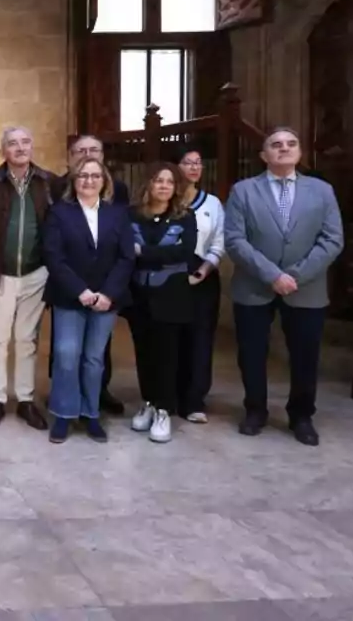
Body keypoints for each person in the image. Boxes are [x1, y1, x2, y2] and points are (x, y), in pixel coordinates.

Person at [225, 127, 344, 446]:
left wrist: (296, 275)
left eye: (291, 144)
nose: (284, 148)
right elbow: (235, 240)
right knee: (251, 353)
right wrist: (272, 275)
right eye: (276, 145)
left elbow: (333, 240)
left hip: (306, 289)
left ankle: (301, 415)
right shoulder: (243, 191)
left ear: (300, 152)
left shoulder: (322, 191)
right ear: (264, 155)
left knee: (305, 355)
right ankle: (255, 410)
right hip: (254, 286)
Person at [43, 157, 134, 444]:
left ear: (104, 181)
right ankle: (64, 414)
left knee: (94, 359)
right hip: (70, 296)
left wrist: (108, 293)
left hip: (107, 299)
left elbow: (126, 257)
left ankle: (91, 413)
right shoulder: (59, 213)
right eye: (83, 175)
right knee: (67, 355)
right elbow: (54, 257)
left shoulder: (118, 214)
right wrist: (79, 290)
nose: (89, 181)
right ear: (74, 180)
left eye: (95, 176)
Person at [0, 126, 55, 430]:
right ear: (3, 151)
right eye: (12, 143)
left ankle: (25, 400)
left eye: (25, 142)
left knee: (26, 339)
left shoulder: (48, 182)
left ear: (32, 146)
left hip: (36, 273)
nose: (20, 148)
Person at [126, 163, 197, 444]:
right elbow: (125, 251)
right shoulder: (132, 215)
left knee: (167, 356)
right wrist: (160, 254)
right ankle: (148, 402)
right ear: (148, 185)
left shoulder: (185, 217)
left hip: (172, 295)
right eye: (158, 180)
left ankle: (165, 410)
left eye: (169, 181)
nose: (164, 186)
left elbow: (184, 252)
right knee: (144, 353)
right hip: (139, 296)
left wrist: (143, 251)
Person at [176, 147, 225, 424]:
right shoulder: (166, 198)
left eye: (198, 163)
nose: (194, 168)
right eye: (187, 162)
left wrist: (204, 270)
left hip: (203, 277)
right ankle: (168, 395)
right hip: (170, 278)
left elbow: (219, 241)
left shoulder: (213, 203)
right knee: (172, 338)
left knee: (200, 339)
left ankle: (195, 399)